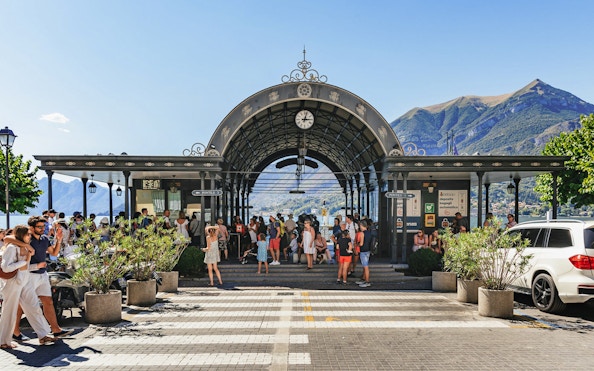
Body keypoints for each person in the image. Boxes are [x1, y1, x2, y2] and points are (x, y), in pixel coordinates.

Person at [6, 216, 73, 340]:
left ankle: (56, 329)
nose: (43, 229)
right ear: (31, 228)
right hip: (29, 275)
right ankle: (15, 331)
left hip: (42, 274)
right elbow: (6, 238)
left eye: (44, 226)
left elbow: (53, 253)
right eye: (39, 227)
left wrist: (58, 240)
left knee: (48, 301)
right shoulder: (26, 239)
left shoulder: (44, 239)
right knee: (22, 306)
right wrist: (27, 246)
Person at [0, 225, 56, 348]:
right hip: (13, 283)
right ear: (22, 235)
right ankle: (3, 341)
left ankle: (43, 335)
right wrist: (23, 262)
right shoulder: (12, 248)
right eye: (28, 234)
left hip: (24, 281)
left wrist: (35, 266)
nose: (30, 237)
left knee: (34, 307)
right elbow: (6, 267)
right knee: (9, 311)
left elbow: (24, 268)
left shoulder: (25, 248)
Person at [355, 220, 372, 287]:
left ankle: (367, 281)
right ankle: (364, 279)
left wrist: (357, 244)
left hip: (363, 251)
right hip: (368, 250)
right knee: (365, 266)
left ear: (361, 226)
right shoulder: (369, 233)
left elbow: (361, 243)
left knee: (365, 267)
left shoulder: (362, 233)